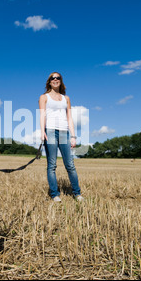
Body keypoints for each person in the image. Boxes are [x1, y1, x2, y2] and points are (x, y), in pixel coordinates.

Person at [39, 72, 83, 202]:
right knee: (52, 165)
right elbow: (42, 115)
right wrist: (42, 131)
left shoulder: (66, 98)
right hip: (50, 131)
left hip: (64, 132)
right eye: (53, 78)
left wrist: (73, 136)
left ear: (61, 81)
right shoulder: (44, 97)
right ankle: (55, 194)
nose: (55, 79)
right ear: (49, 82)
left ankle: (77, 193)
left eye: (58, 78)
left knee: (70, 165)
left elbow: (69, 117)